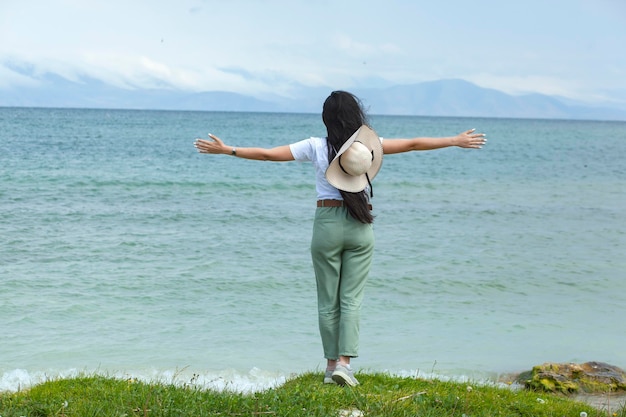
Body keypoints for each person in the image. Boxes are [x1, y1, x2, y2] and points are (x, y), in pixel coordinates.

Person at [194, 90, 486, 387]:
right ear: (357, 116)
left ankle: (331, 365)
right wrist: (454, 140)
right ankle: (345, 365)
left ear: (327, 119)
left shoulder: (315, 147)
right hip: (360, 223)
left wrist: (227, 149)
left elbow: (269, 154)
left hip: (327, 224)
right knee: (351, 299)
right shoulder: (367, 150)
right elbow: (412, 144)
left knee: (328, 299)